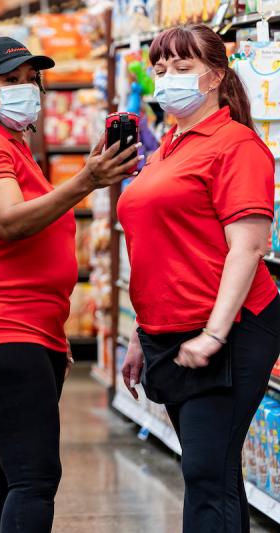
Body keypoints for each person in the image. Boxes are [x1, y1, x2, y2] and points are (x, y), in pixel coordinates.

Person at [0, 37, 140, 533]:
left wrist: (51, 331)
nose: (26, 90)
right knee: (34, 477)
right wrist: (84, 182)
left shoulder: (11, 145)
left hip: (23, 326)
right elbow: (7, 222)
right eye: (11, 82)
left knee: (9, 475)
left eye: (32, 80)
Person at [119, 24, 280, 533]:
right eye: (161, 70)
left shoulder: (238, 146)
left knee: (206, 474)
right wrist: (140, 335)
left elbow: (249, 248)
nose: (168, 80)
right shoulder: (169, 146)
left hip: (231, 328)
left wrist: (214, 332)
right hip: (170, 331)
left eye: (183, 69)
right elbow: (158, 251)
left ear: (214, 76)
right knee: (215, 473)